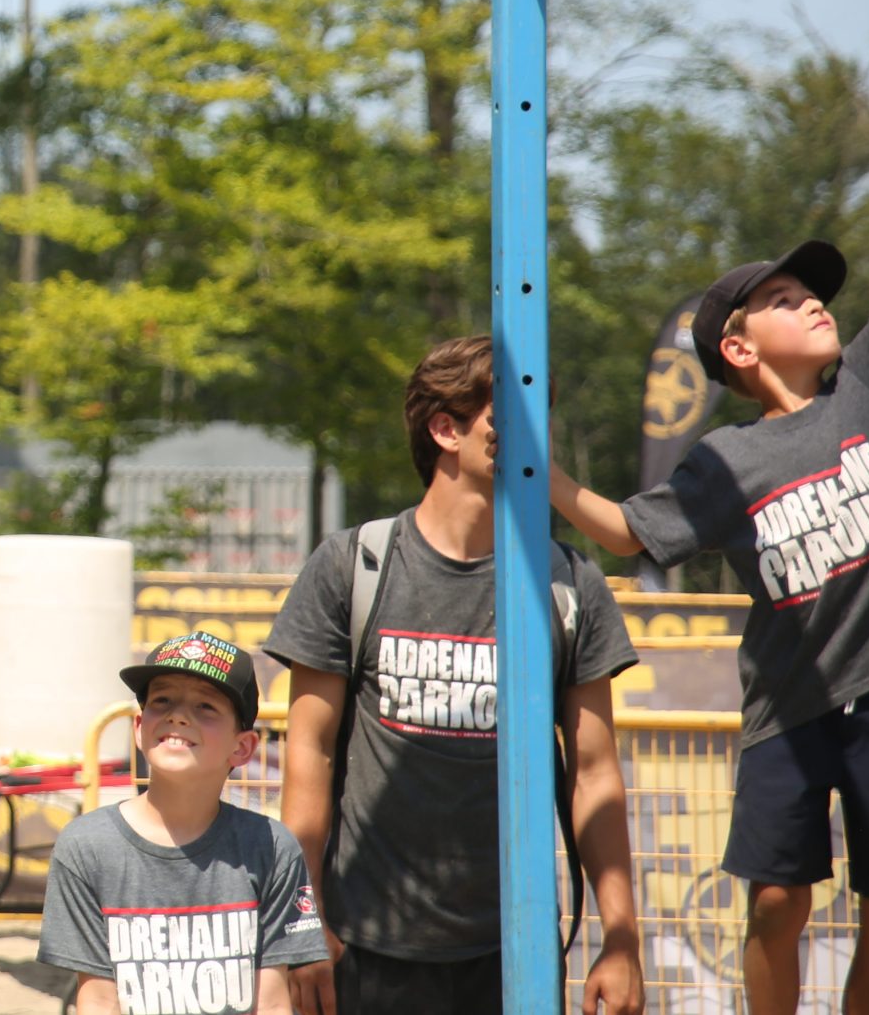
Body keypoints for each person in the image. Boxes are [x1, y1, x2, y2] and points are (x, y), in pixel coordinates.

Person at [544, 61, 869, 1015]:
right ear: (738, 346)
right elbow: (624, 529)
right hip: (791, 711)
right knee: (776, 901)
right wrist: (535, 471)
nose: (814, 300)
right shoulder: (722, 461)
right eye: (785, 297)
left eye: (814, 292)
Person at [266, 336, 644, 1015]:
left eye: (540, 415)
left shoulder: (569, 582)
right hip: (366, 945)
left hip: (515, 953)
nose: (535, 436)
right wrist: (302, 919)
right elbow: (310, 754)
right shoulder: (353, 566)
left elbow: (594, 774)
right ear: (447, 429)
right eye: (512, 414)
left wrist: (622, 941)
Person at [38, 632, 327, 1014]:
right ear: (139, 727)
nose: (178, 716)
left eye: (205, 706)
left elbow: (272, 1003)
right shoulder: (86, 846)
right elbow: (98, 1001)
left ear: (242, 747)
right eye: (162, 700)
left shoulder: (272, 846)